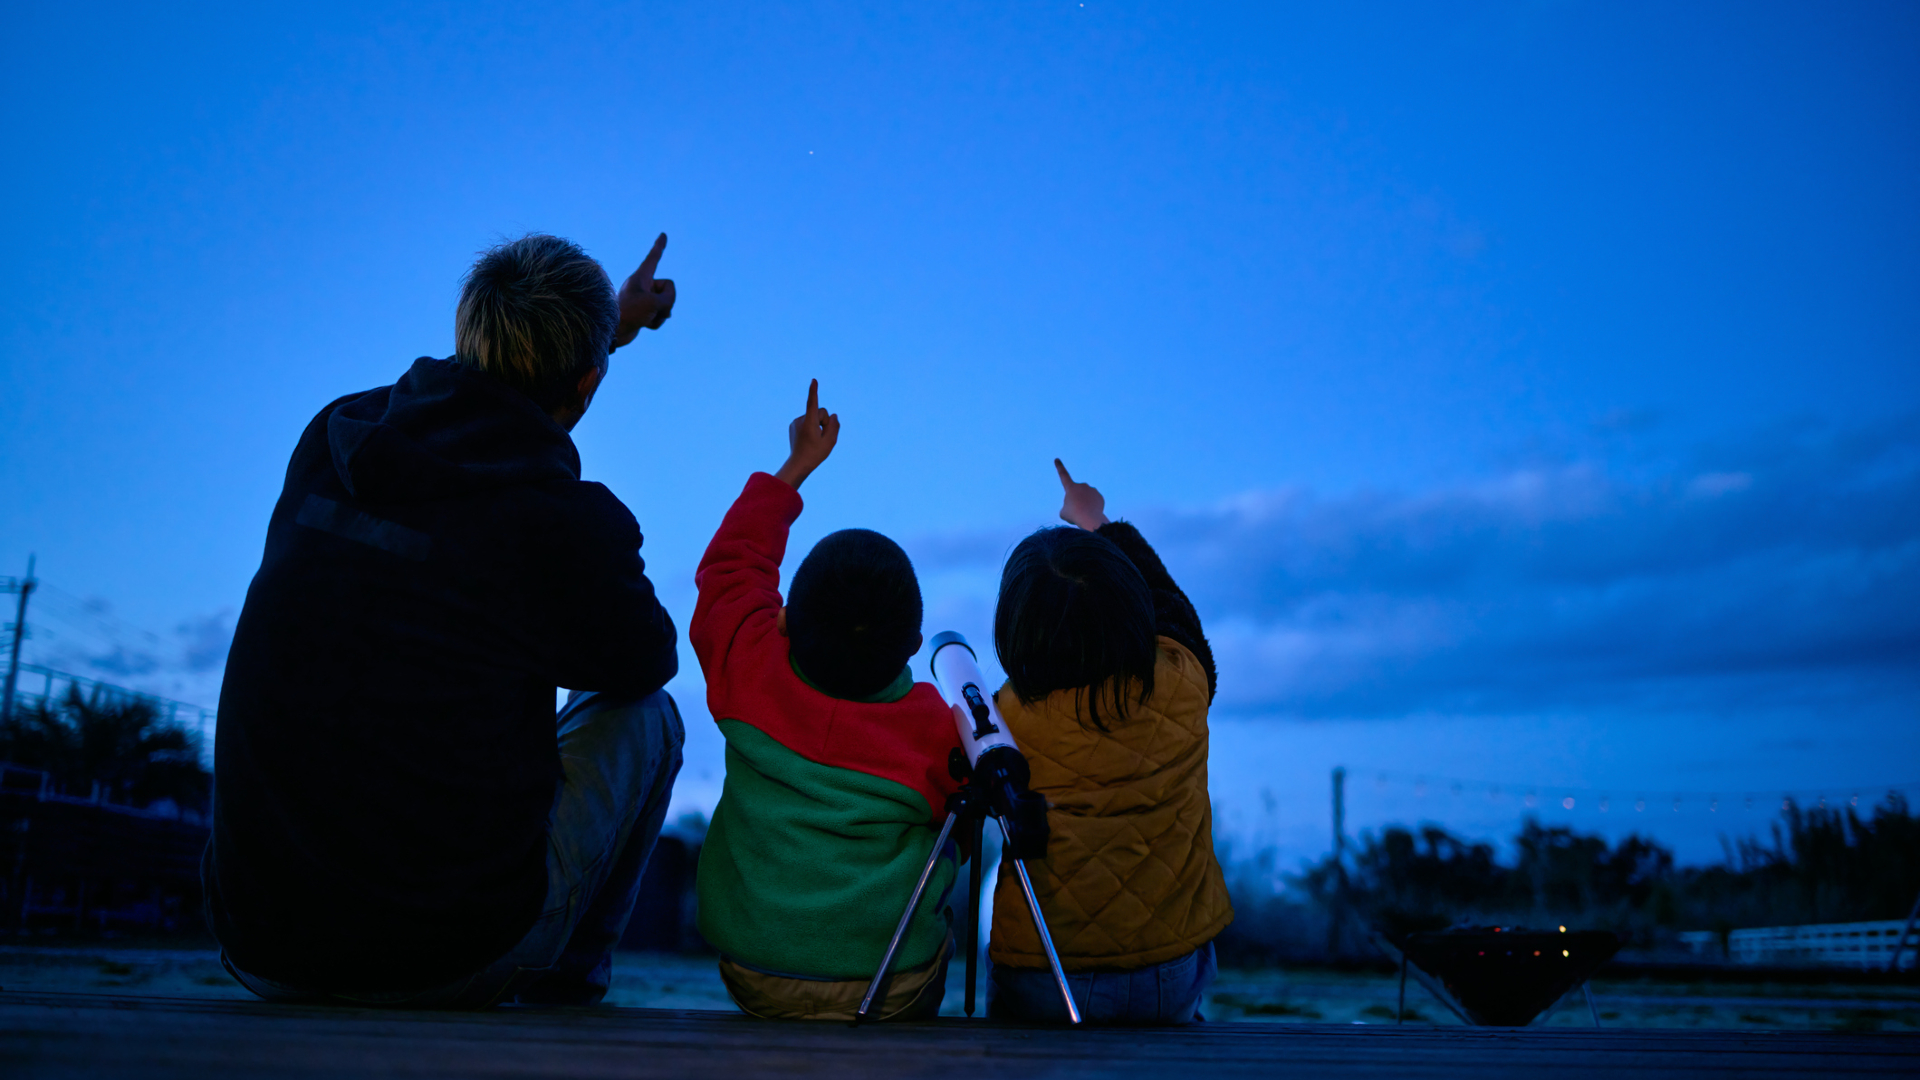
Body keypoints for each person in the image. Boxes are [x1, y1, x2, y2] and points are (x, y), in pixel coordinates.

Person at [206, 232, 686, 1008]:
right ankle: (563, 981)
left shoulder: (336, 438)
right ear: (588, 384)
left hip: (260, 943)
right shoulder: (563, 525)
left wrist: (609, 333)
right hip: (448, 958)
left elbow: (489, 389)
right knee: (649, 716)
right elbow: (645, 658)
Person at [690, 381, 965, 1021]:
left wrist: (795, 468)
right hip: (893, 988)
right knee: (953, 822)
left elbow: (730, 569)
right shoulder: (934, 726)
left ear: (784, 619)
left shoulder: (747, 667)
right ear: (913, 646)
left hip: (754, 975)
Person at [984, 459, 1232, 1025]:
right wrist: (1096, 523)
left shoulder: (1003, 721)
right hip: (1166, 976)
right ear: (1132, 609)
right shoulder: (1184, 679)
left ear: (1016, 628)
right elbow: (1172, 604)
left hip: (1041, 972)